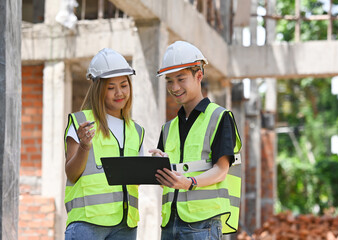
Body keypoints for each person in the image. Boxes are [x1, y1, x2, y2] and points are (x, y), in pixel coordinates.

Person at [150, 41, 242, 240]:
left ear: (198, 75)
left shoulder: (219, 117)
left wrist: (189, 182)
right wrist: (158, 165)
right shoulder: (168, 128)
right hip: (169, 222)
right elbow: (167, 180)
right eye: (169, 81)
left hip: (203, 224)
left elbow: (221, 170)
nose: (174, 87)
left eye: (181, 79)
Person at [64, 48, 144, 240]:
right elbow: (72, 174)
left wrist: (154, 165)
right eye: (111, 87)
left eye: (124, 85)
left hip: (125, 225)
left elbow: (136, 180)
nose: (119, 93)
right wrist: (84, 146)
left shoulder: (136, 130)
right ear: (99, 88)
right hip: (87, 224)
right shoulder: (81, 122)